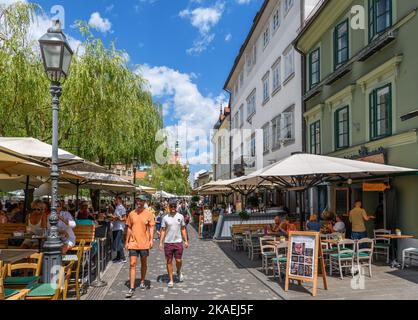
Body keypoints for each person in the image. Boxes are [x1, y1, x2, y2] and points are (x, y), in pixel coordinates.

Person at [125, 195, 155, 298]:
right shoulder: (131, 214)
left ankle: (142, 280)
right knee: (132, 264)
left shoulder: (149, 214)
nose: (139, 202)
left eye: (141, 200)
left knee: (143, 263)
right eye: (138, 200)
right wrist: (126, 241)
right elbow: (129, 228)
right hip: (133, 243)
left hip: (144, 243)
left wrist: (151, 240)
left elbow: (151, 228)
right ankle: (131, 288)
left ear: (144, 202)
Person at [159, 200, 189, 288]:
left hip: (178, 242)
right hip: (168, 242)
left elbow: (183, 229)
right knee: (169, 261)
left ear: (176, 207)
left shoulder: (180, 216)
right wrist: (160, 242)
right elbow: (163, 230)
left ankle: (179, 271)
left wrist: (186, 240)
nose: (172, 208)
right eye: (171, 206)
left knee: (178, 260)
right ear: (168, 207)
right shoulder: (165, 218)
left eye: (174, 207)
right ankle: (171, 279)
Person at [112, 196, 127, 263]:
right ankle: (118, 257)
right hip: (115, 227)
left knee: (119, 243)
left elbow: (124, 218)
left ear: (120, 200)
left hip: (119, 227)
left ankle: (123, 258)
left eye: (116, 200)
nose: (115, 201)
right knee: (116, 242)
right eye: (115, 200)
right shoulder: (117, 207)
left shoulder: (122, 208)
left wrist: (119, 218)